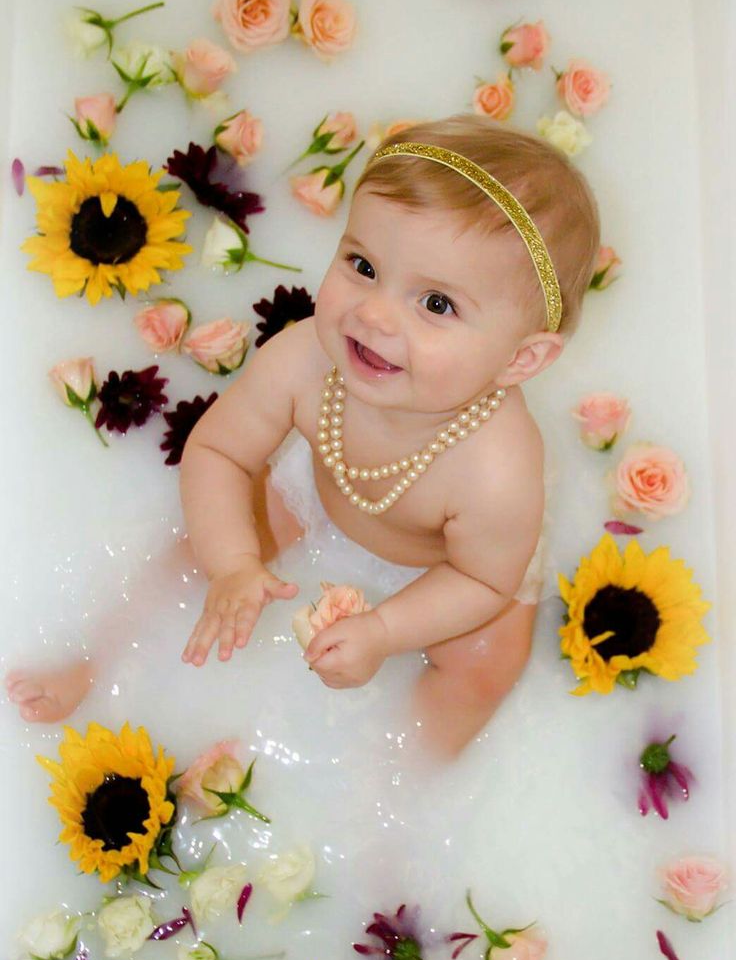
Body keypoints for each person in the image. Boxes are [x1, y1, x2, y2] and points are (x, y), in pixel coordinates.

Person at [6, 116, 600, 758]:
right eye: (363, 264)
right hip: (321, 494)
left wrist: (385, 630)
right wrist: (233, 561)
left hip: (456, 571)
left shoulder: (498, 468)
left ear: (521, 361)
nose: (373, 314)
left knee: (480, 668)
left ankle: (401, 810)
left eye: (436, 305)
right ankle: (97, 661)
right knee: (191, 553)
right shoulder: (305, 361)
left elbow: (482, 582)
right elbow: (219, 451)